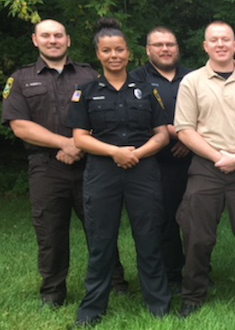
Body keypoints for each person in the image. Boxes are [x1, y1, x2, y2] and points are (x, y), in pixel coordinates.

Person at [1, 19, 129, 308]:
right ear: (35, 41)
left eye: (58, 35)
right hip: (46, 168)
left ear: (68, 40)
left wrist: (81, 146)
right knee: (51, 232)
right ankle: (53, 292)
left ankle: (116, 283)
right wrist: (65, 143)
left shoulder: (88, 74)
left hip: (90, 166)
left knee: (101, 227)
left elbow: (108, 113)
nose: (53, 40)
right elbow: (20, 125)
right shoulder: (20, 79)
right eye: (46, 36)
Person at [67, 18, 171, 326]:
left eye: (120, 49)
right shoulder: (85, 91)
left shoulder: (147, 91)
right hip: (102, 172)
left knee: (149, 238)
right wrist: (116, 152)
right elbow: (80, 138)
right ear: (98, 54)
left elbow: (162, 134)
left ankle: (159, 305)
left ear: (129, 53)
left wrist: (135, 154)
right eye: (107, 50)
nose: (114, 55)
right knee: (101, 242)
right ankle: (92, 309)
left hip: (143, 169)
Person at [174, 20, 235, 316]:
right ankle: (193, 296)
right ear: (205, 46)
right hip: (206, 168)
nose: (220, 44)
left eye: (225, 39)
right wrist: (219, 156)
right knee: (197, 235)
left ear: (234, 46)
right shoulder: (192, 82)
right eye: (214, 40)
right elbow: (184, 129)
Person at [130, 26, 192, 292]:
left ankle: (199, 270)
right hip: (154, 161)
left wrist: (190, 143)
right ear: (148, 50)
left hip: (194, 159)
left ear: (178, 48)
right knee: (163, 219)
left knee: (194, 219)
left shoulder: (195, 77)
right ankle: (172, 273)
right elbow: (135, 119)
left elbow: (209, 116)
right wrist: (179, 135)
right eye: (159, 45)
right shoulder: (136, 79)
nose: (165, 49)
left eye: (170, 44)